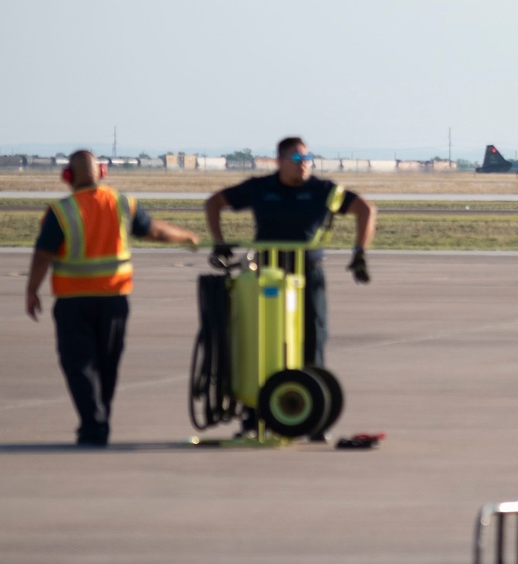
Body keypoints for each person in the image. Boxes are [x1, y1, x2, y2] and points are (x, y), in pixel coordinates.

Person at [204, 136, 376, 440]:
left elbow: (365, 209)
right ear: (280, 161)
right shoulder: (260, 188)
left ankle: (314, 421)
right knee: (260, 345)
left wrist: (359, 253)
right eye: (297, 159)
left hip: (308, 277)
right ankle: (253, 419)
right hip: (267, 277)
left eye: (308, 158)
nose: (305, 165)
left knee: (312, 343)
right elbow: (214, 203)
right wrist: (219, 243)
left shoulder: (323, 191)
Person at [26, 149, 200, 446]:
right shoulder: (122, 204)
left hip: (73, 300)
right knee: (108, 363)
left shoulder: (61, 211)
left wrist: (32, 290)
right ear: (102, 173)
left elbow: (44, 254)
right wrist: (186, 236)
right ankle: (98, 420)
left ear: (67, 176)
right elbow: (154, 231)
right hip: (114, 300)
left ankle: (94, 425)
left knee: (79, 364)